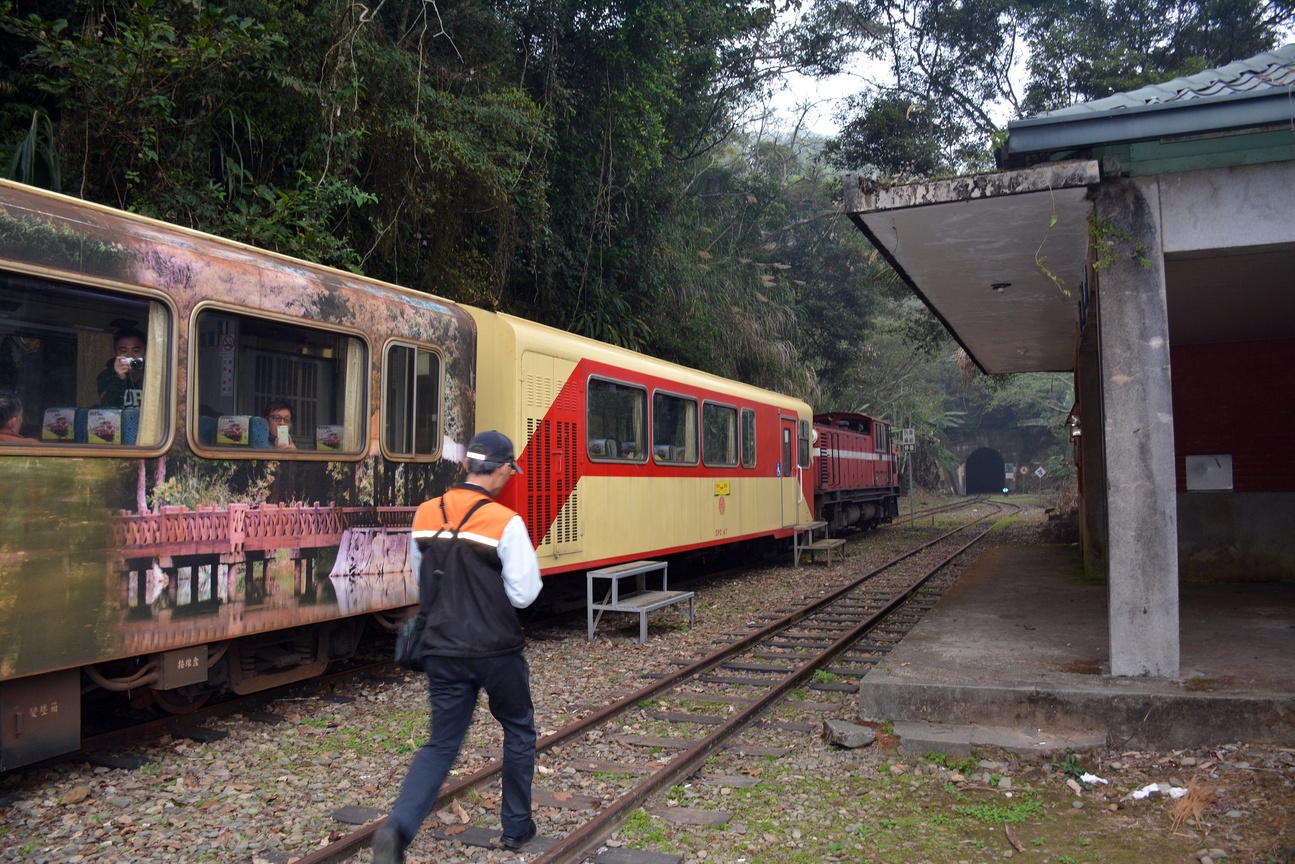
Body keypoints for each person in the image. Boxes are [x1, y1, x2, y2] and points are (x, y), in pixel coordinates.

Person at [374, 430, 542, 863]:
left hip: (442, 649)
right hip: (496, 650)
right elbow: (524, 594)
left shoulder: (426, 514)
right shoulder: (505, 522)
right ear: (502, 468)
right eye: (510, 469)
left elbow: (421, 578)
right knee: (518, 728)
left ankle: (397, 828)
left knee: (441, 744)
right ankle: (516, 828)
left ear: (468, 464)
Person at [97, 327, 146, 409]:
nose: (130, 356)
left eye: (136, 351)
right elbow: (105, 407)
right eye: (123, 351)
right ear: (116, 353)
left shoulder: (155, 374)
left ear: (145, 352)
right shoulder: (106, 376)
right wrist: (119, 380)